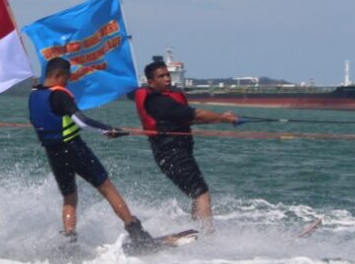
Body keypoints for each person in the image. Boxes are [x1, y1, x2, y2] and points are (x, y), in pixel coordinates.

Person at [29, 57, 158, 249]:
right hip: (73, 148)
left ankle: (69, 240)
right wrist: (109, 129)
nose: (67, 83)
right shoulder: (60, 95)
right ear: (57, 75)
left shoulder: (34, 96)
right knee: (106, 187)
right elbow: (82, 122)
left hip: (53, 152)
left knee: (69, 196)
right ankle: (136, 233)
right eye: (66, 78)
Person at [132, 60, 238, 230]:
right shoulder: (157, 102)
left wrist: (222, 118)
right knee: (201, 193)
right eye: (161, 76)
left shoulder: (169, 98)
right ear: (151, 82)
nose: (167, 79)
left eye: (168, 75)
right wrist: (225, 118)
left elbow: (192, 119)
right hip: (171, 154)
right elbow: (196, 114)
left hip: (180, 152)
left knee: (198, 193)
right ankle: (207, 236)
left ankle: (198, 231)